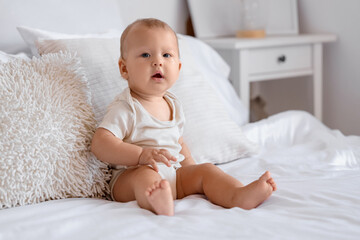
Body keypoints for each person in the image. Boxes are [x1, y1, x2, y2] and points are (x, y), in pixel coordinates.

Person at [91, 18, 277, 216]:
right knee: (145, 176)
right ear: (124, 69)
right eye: (145, 54)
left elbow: (179, 143)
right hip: (129, 177)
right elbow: (101, 143)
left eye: (166, 55)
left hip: (173, 175)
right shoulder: (127, 107)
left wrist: (191, 170)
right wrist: (140, 155)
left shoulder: (173, 105)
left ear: (178, 68)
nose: (157, 61)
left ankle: (237, 194)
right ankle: (156, 202)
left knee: (206, 170)